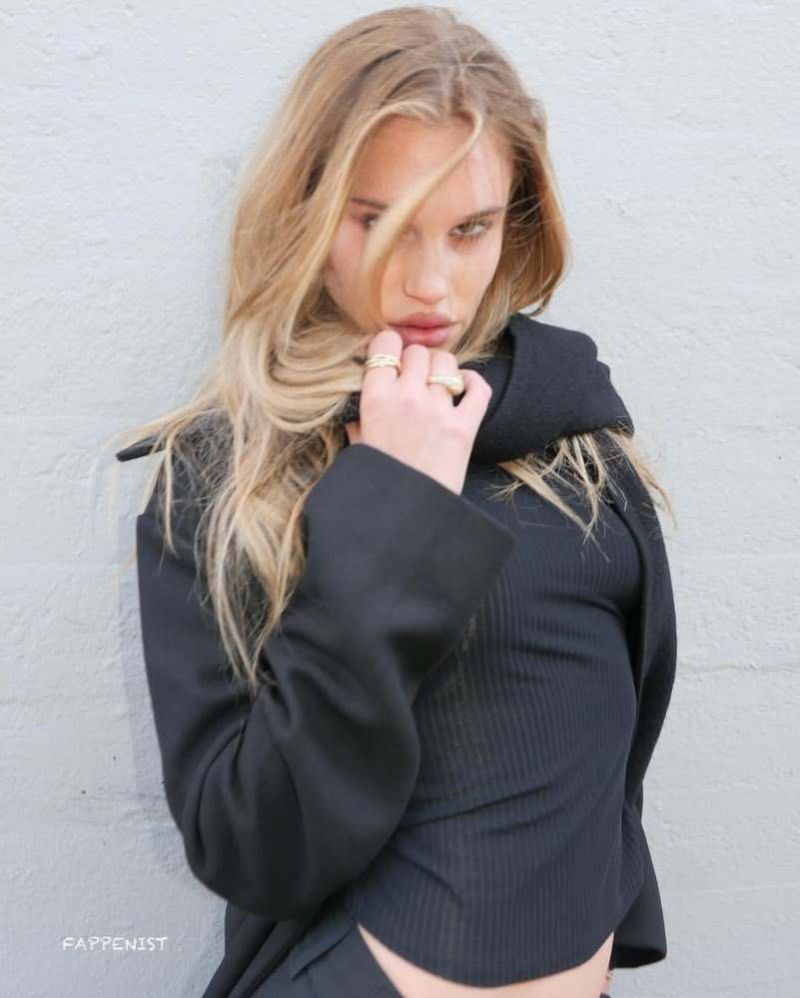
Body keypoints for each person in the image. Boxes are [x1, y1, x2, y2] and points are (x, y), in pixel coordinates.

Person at [114, 6, 677, 997]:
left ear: (518, 219)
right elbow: (250, 845)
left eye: (469, 229)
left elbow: (605, 764)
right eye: (376, 221)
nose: (429, 284)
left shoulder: (575, 434)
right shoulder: (226, 471)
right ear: (303, 207)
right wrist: (392, 507)